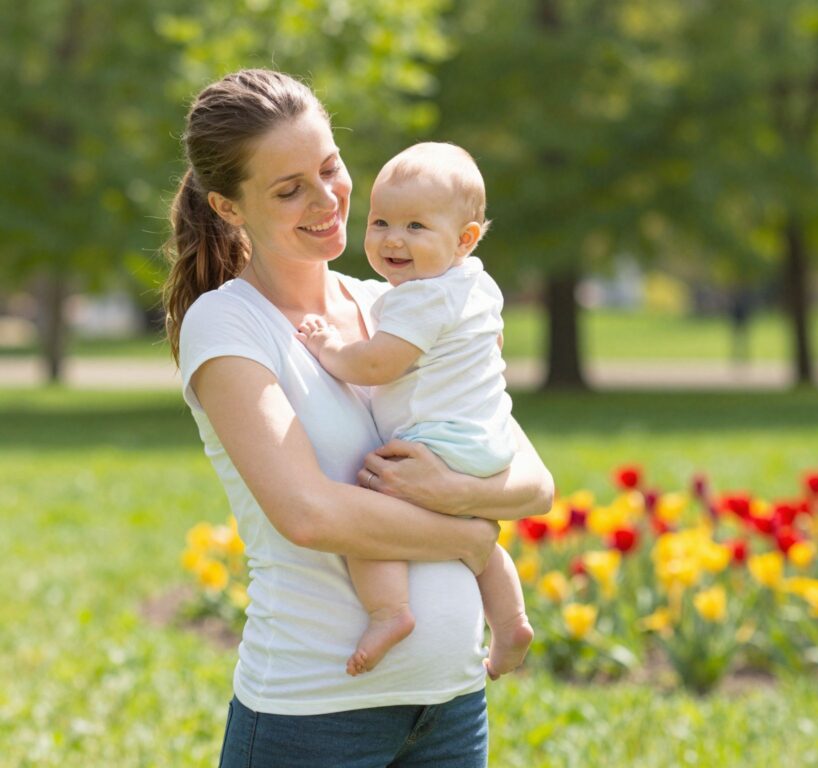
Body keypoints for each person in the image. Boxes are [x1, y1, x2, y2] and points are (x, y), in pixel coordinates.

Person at [162, 69, 553, 768]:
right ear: (227, 206)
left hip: (452, 708)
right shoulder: (227, 327)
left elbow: (533, 484)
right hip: (314, 717)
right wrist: (468, 538)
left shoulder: (401, 304)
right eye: (289, 190)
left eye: (330, 167)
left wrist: (462, 500)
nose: (327, 199)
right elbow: (312, 515)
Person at [295, 142, 533, 680]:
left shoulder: (422, 297)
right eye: (381, 222)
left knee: (367, 512)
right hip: (486, 440)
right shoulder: (475, 283)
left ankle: (389, 611)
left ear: (464, 240)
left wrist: (329, 347)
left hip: (439, 441)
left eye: (417, 227)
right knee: (470, 529)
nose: (393, 239)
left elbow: (379, 363)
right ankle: (512, 621)